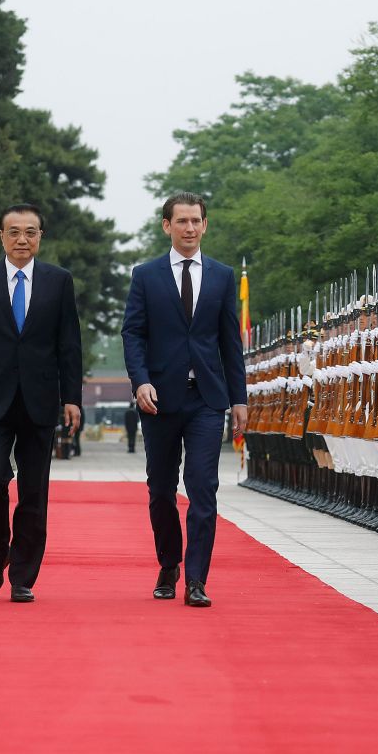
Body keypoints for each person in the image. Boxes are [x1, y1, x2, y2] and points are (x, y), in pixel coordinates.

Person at [0, 202, 83, 604]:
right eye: (14, 232)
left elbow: (69, 345)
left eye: (31, 232)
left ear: (40, 236)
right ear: (1, 236)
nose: (22, 239)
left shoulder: (59, 281)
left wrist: (71, 397)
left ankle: (23, 575)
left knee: (33, 491)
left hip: (41, 401)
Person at [123, 191, 248, 608]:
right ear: (167, 226)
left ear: (205, 225)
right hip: (158, 399)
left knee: (203, 487)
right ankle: (169, 563)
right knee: (160, 490)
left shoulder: (221, 276)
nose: (189, 228)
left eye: (196, 221)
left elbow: (231, 342)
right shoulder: (146, 275)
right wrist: (139, 381)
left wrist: (239, 399)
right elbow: (133, 334)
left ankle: (196, 579)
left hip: (207, 400)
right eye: (182, 222)